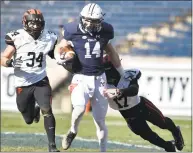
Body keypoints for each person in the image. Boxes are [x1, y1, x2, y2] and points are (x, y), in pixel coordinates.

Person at [55, 3, 124, 152]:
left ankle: (103, 150)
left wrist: (122, 74)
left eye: (94, 21)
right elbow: (61, 46)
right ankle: (73, 130)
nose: (90, 24)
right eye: (88, 20)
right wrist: (59, 57)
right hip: (80, 77)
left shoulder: (106, 30)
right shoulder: (72, 29)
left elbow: (112, 53)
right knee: (79, 109)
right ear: (82, 18)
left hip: (100, 79)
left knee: (100, 121)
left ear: (100, 21)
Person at [1, 9, 59, 152]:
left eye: (38, 24)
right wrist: (10, 63)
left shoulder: (49, 37)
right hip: (23, 82)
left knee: (48, 110)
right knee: (27, 118)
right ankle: (34, 109)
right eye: (33, 23)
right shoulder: (17, 37)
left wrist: (63, 56)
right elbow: (3, 58)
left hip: (41, 80)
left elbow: (54, 53)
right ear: (25, 23)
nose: (36, 27)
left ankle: (52, 146)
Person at [103, 55, 185, 152]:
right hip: (128, 115)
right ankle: (168, 146)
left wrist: (118, 91)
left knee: (162, 123)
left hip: (141, 106)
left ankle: (176, 132)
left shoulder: (127, 75)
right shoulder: (101, 83)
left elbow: (134, 90)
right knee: (147, 135)